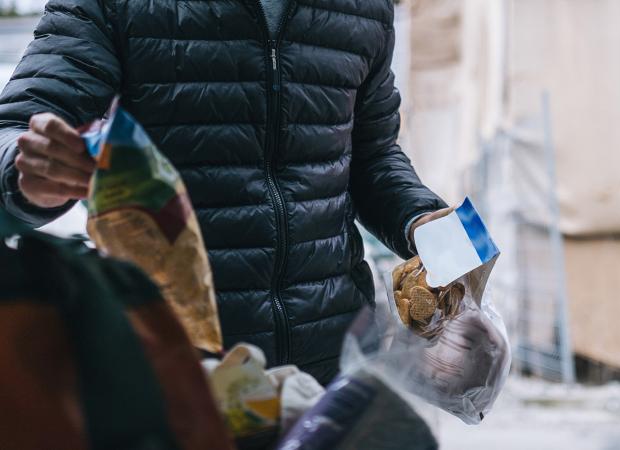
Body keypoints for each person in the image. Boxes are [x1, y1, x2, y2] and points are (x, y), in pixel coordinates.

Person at [0, 0, 448, 384]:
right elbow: (16, 127)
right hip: (178, 369)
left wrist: (429, 227)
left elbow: (373, 155)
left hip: (336, 363)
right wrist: (29, 169)